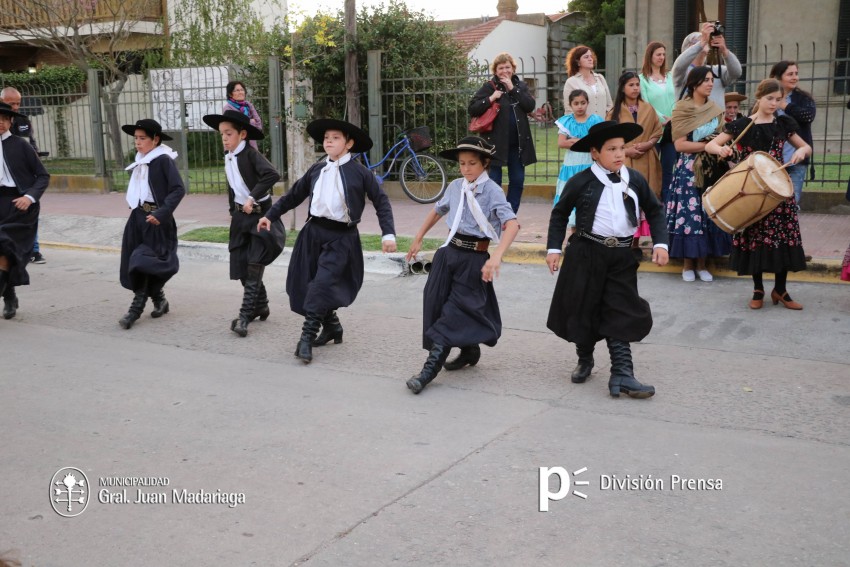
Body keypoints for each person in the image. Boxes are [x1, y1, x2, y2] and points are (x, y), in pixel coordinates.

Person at [545, 121, 669, 399]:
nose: (618, 154)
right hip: (587, 253)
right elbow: (560, 214)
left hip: (622, 256)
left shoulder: (634, 179)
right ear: (594, 153)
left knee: (620, 310)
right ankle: (585, 358)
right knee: (584, 309)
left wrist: (660, 242)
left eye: (621, 148)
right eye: (611, 149)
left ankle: (622, 374)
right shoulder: (581, 181)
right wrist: (554, 248)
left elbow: (655, 210)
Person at [257, 118, 397, 364]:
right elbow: (293, 196)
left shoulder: (361, 173)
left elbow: (382, 202)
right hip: (312, 234)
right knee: (305, 284)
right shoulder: (317, 169)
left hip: (341, 238)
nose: (329, 141)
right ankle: (332, 326)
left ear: (349, 143)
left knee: (321, 286)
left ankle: (306, 337)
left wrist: (388, 234)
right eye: (326, 138)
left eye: (335, 137)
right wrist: (270, 215)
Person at [404, 137, 519, 395]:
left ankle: (427, 372)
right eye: (462, 163)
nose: (466, 169)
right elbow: (438, 210)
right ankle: (469, 349)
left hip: (474, 259)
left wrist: (496, 256)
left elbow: (512, 224)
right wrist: (419, 236)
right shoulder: (456, 186)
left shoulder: (492, 191)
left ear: (485, 163)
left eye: (472, 164)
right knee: (435, 302)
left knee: (454, 312)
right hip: (448, 254)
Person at [705, 79, 811, 309]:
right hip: (751, 189)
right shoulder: (743, 124)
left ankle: (781, 290)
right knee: (755, 237)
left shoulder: (783, 123)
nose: (774, 103)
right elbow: (710, 146)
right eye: (769, 99)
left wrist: (801, 152)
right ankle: (758, 289)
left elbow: (805, 146)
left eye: (778, 99)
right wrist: (721, 148)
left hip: (778, 189)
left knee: (782, 237)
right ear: (759, 98)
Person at [202, 110, 287, 337]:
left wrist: (251, 197)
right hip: (241, 218)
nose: (224, 138)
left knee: (254, 265)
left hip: (261, 216)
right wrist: (234, 210)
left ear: (242, 134)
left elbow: (272, 175)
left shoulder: (250, 154)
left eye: (228, 134)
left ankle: (245, 315)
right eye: (221, 134)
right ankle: (261, 305)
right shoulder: (229, 156)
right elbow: (232, 187)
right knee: (241, 266)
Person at [118, 119, 185, 329]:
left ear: (155, 140)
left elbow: (178, 189)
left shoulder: (163, 160)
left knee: (143, 262)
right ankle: (159, 299)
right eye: (136, 138)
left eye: (142, 138)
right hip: (138, 218)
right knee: (133, 262)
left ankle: (135, 310)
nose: (137, 143)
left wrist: (162, 213)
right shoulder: (139, 161)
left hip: (156, 220)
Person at [666, 66, 730, 282]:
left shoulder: (715, 109)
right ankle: (687, 265)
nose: (711, 84)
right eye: (706, 80)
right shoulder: (682, 109)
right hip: (688, 170)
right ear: (694, 84)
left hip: (712, 168)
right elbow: (679, 145)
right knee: (689, 215)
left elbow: (722, 137)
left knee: (707, 213)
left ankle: (703, 264)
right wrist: (708, 146)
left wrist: (717, 148)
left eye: (712, 80)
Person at [468, 52, 537, 213]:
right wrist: (491, 98)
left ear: (513, 69)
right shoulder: (489, 87)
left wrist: (512, 89)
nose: (504, 70)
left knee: (518, 180)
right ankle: (494, 213)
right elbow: (473, 108)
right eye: (501, 68)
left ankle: (509, 215)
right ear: (495, 71)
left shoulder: (520, 86)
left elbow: (529, 106)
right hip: (494, 145)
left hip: (517, 145)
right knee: (494, 182)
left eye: (507, 67)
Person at [0, 102, 50, 321]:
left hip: (17, 206)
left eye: (4, 118)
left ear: (11, 121)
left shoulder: (20, 145)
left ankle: (8, 296)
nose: (0, 122)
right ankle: (9, 295)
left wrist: (29, 197)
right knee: (4, 252)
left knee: (5, 248)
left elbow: (43, 176)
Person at [1, 86, 45, 264]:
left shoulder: (21, 122)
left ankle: (33, 250)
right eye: (10, 103)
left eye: (17, 103)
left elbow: (28, 143)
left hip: (20, 184)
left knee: (26, 213)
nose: (15, 106)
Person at [554, 89, 603, 232]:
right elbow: (562, 143)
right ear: (570, 105)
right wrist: (584, 141)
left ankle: (590, 231)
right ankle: (574, 234)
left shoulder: (595, 120)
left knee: (589, 195)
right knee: (572, 196)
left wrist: (575, 140)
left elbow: (598, 141)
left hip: (590, 163)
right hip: (572, 165)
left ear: (588, 103)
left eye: (583, 103)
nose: (580, 106)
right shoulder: (567, 121)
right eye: (576, 103)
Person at [770, 60, 816, 207]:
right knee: (771, 203)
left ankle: (789, 230)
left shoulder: (804, 98)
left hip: (796, 160)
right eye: (790, 74)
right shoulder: (768, 98)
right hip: (772, 161)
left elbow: (808, 116)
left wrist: (785, 105)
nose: (795, 77)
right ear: (778, 77)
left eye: (796, 73)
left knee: (792, 203)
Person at [672, 22, 742, 110]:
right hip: (691, 122)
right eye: (699, 39)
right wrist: (700, 44)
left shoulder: (716, 71)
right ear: (689, 47)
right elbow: (679, 65)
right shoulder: (683, 72)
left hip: (716, 122)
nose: (705, 41)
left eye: (706, 39)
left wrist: (724, 51)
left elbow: (737, 73)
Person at [639, 41, 676, 200]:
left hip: (672, 128)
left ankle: (667, 202)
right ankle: (651, 201)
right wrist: (662, 118)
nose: (661, 57)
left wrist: (673, 117)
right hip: (654, 129)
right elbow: (645, 103)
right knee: (652, 169)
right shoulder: (642, 79)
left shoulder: (670, 77)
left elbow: (677, 98)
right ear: (650, 56)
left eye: (663, 54)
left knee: (668, 167)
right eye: (658, 54)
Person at [563, 45, 613, 120]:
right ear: (578, 62)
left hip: (603, 126)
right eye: (586, 57)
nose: (590, 59)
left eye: (591, 56)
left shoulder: (600, 78)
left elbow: (609, 105)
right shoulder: (571, 82)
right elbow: (569, 109)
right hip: (583, 127)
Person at [223, 81, 263, 150]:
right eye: (237, 90)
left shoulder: (248, 105)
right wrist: (251, 122)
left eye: (242, 90)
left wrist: (248, 123)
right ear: (230, 94)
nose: (241, 92)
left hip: (250, 144)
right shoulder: (228, 108)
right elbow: (235, 126)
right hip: (236, 145)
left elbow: (258, 124)